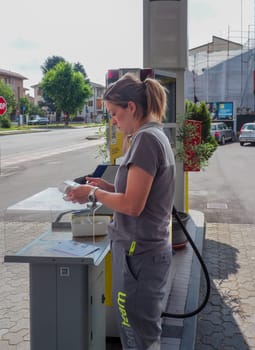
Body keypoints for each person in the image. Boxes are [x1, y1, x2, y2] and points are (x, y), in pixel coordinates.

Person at [67, 73, 176, 350]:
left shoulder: (145, 140)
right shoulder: (152, 135)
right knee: (141, 334)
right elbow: (138, 194)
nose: (113, 121)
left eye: (115, 113)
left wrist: (93, 193)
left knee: (136, 335)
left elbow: (132, 205)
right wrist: (107, 185)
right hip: (142, 253)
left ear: (132, 108)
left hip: (138, 256)